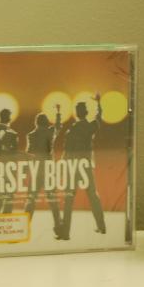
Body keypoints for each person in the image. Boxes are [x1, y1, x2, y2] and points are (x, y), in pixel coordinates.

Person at [58, 96, 106, 239]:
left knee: (69, 199)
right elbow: (99, 118)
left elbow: (67, 151)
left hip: (73, 166)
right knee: (93, 196)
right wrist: (98, 103)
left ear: (77, 113)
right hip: (85, 165)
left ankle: (65, 232)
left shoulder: (72, 130)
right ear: (86, 112)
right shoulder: (89, 127)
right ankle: (101, 226)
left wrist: (64, 165)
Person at [24, 107, 63, 236]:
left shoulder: (31, 135)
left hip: (36, 171)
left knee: (31, 201)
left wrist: (27, 169)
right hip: (48, 171)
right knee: (53, 201)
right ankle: (58, 226)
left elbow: (29, 153)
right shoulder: (50, 132)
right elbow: (58, 126)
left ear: (36, 123)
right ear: (46, 122)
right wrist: (58, 112)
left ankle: (25, 227)